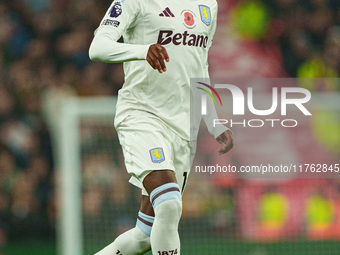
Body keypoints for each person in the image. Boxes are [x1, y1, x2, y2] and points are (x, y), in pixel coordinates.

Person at [89, 0, 233, 254]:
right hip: (142, 114)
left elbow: (200, 66)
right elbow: (97, 48)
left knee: (144, 235)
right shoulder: (134, 2)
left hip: (182, 129)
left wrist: (213, 120)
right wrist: (142, 50)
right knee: (169, 203)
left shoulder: (208, 4)